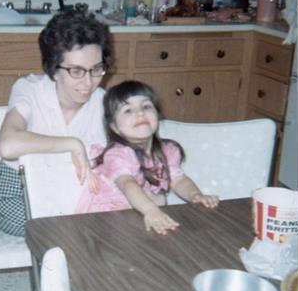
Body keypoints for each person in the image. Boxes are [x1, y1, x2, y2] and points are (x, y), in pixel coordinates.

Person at [0, 9, 114, 236]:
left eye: (96, 69)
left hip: (72, 195)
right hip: (18, 192)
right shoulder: (30, 89)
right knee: (67, 228)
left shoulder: (104, 103)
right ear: (54, 70)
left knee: (108, 224)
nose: (88, 82)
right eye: (76, 71)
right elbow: (7, 146)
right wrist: (72, 144)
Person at [75, 80, 219, 234]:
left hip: (144, 211)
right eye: (128, 110)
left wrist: (195, 195)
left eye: (146, 106)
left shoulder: (167, 150)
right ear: (114, 127)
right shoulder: (117, 153)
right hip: (110, 217)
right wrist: (151, 209)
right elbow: (128, 184)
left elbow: (178, 180)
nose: (140, 113)